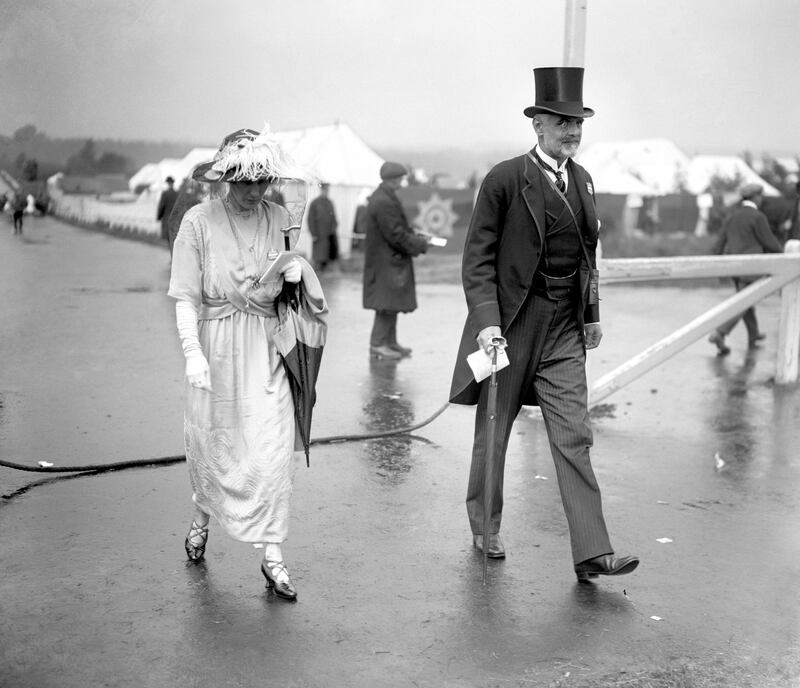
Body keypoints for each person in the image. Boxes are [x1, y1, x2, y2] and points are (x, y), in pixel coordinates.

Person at [449, 67, 639, 583]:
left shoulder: (584, 179)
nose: (572, 132)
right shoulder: (505, 179)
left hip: (563, 327)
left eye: (578, 123)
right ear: (537, 125)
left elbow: (588, 256)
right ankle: (484, 525)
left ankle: (593, 552)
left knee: (574, 432)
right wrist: (487, 324)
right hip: (511, 322)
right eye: (561, 122)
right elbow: (477, 262)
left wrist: (592, 315)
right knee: (494, 428)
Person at [168, 126, 321, 601]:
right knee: (216, 447)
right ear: (227, 177)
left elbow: (297, 287)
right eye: (245, 180)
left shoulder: (282, 217)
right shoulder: (197, 221)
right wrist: (192, 352)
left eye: (263, 180)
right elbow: (184, 296)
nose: (256, 191)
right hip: (214, 347)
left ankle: (273, 554)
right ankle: (201, 514)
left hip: (267, 346)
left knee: (272, 451)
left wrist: (298, 272)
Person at [362, 161, 431, 360]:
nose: (402, 183)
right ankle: (378, 344)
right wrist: (421, 244)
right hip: (386, 262)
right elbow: (396, 234)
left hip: (386, 260)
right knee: (385, 304)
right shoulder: (383, 201)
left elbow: (397, 230)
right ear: (392, 179)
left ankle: (389, 342)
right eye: (400, 179)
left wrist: (416, 237)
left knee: (391, 303)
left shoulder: (383, 197)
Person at [708, 182, 784, 355]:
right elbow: (770, 242)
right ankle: (720, 333)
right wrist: (783, 255)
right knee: (745, 302)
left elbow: (719, 244)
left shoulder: (732, 217)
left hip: (735, 268)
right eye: (760, 196)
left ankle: (754, 334)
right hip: (752, 269)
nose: (761, 199)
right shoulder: (757, 217)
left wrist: (716, 265)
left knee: (745, 300)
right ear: (756, 197)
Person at [307, 182, 338, 271]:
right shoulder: (314, 203)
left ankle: (325, 273)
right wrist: (313, 234)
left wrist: (333, 230)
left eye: (327, 190)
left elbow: (334, 218)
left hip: (328, 235)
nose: (326, 192)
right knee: (319, 256)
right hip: (319, 235)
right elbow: (310, 219)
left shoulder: (330, 202)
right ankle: (317, 271)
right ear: (321, 190)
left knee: (327, 256)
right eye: (324, 190)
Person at [156, 176, 179, 244]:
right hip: (176, 218)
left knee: (168, 236)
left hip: (167, 217)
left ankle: (171, 250)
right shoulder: (177, 194)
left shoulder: (165, 193)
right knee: (175, 236)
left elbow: (161, 206)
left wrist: (159, 217)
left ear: (168, 183)